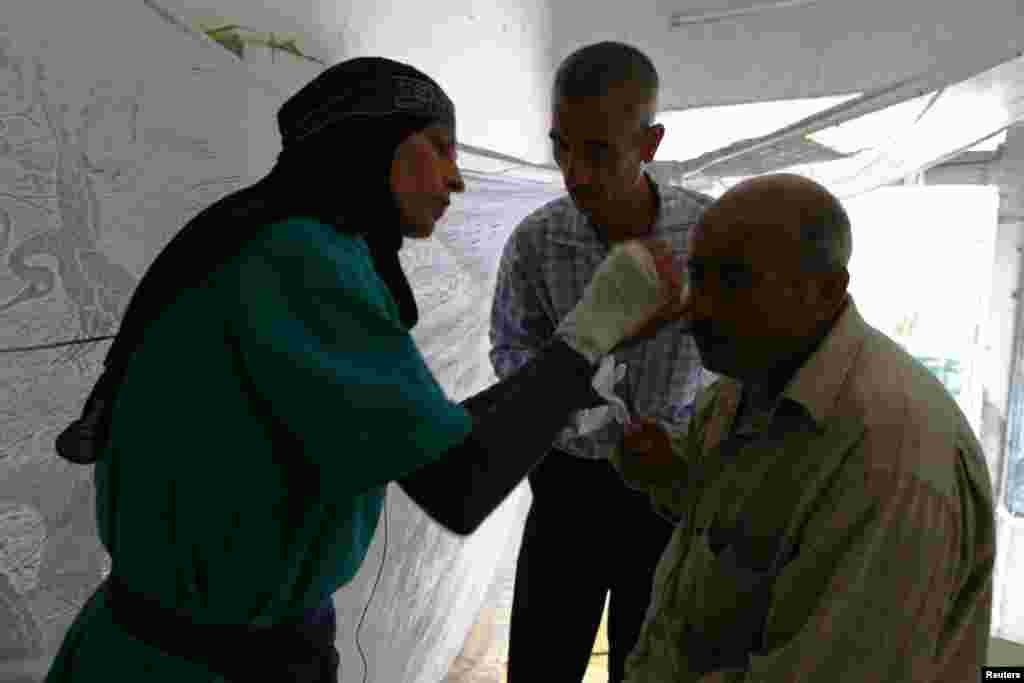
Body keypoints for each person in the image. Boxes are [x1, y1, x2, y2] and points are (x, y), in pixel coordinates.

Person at [43, 57, 685, 683]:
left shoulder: (286, 241)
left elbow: (432, 439)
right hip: (195, 662)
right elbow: (458, 482)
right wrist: (592, 329)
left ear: (649, 145)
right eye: (441, 148)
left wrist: (579, 362)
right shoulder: (299, 258)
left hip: (222, 644)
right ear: (381, 146)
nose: (457, 180)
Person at [611, 173, 997, 682]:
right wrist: (677, 480)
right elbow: (752, 536)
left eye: (733, 282)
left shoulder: (891, 456)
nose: (693, 310)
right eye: (698, 277)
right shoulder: (741, 387)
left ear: (826, 290)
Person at [491, 41, 714, 683]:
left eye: (598, 152)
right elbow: (510, 351)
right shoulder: (536, 242)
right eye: (561, 148)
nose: (575, 173)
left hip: (672, 487)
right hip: (569, 487)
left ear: (649, 143)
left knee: (649, 667)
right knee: (541, 665)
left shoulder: (709, 235)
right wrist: (573, 405)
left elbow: (744, 360)